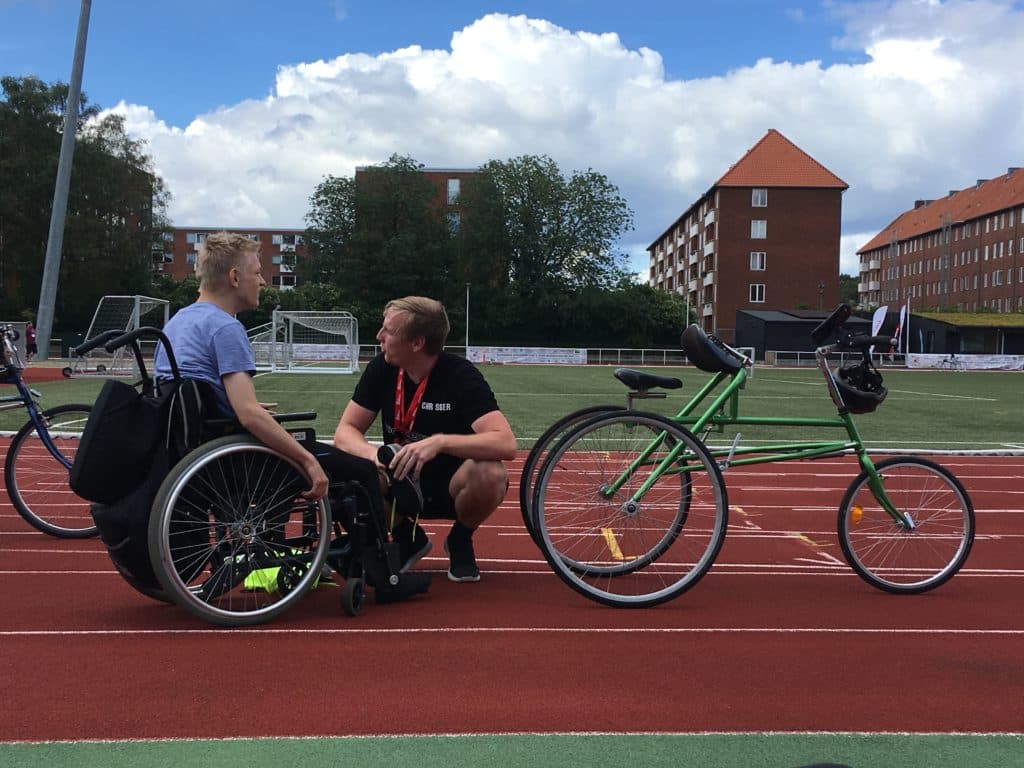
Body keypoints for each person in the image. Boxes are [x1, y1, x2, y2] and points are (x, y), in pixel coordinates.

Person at [153, 232, 424, 597]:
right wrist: (307, 462)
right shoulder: (226, 327)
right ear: (234, 278)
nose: (263, 280)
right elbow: (249, 416)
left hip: (197, 449)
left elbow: (194, 395)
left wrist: (230, 406)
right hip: (236, 461)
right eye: (257, 271)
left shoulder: (179, 323)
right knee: (358, 470)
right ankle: (384, 575)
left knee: (322, 453)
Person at [335, 296, 517, 583]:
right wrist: (373, 457)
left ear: (417, 343)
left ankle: (460, 539)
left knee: (491, 472)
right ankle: (409, 539)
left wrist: (439, 442)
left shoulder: (460, 375)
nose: (379, 336)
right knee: (345, 472)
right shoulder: (381, 368)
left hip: (452, 486)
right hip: (398, 482)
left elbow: (506, 443)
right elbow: (345, 430)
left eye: (388, 331)